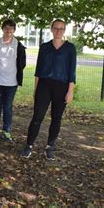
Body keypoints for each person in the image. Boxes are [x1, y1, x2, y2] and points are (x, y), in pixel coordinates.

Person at [21, 19, 76, 161]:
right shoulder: (45, 47)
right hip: (44, 85)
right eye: (56, 28)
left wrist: (70, 91)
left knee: (56, 118)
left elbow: (72, 71)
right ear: (51, 29)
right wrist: (35, 90)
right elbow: (38, 71)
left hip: (62, 87)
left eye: (61, 28)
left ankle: (50, 146)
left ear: (64, 30)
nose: (58, 31)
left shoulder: (70, 48)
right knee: (37, 117)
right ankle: (29, 145)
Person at [0, 19, 26, 141]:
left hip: (12, 82)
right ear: (2, 29)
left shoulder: (18, 46)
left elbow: (22, 64)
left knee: (8, 106)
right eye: (6, 28)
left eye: (11, 28)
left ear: (14, 30)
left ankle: (7, 131)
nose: (8, 30)